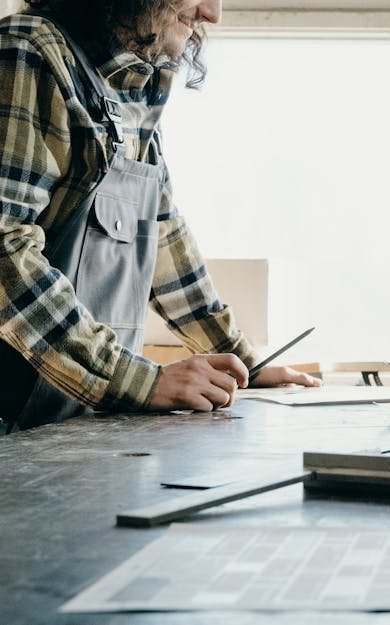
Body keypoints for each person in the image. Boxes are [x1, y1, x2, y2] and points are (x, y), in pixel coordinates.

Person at [0, 0, 319, 432]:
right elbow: (5, 249)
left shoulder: (139, 85)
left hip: (69, 425)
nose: (213, 13)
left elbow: (162, 232)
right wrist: (139, 382)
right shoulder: (29, 53)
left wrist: (244, 365)